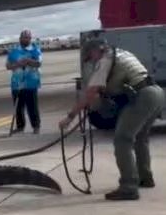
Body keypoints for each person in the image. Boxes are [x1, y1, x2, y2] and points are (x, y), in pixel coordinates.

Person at [59, 37, 165, 200]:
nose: (91, 62)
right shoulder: (122, 53)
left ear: (95, 51)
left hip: (142, 97)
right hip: (156, 93)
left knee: (122, 139)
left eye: (90, 57)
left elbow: (90, 92)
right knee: (140, 138)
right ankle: (145, 177)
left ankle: (128, 186)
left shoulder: (105, 60)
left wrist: (70, 117)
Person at [6, 29, 43, 134]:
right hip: (17, 83)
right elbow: (8, 66)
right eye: (24, 37)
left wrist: (28, 61)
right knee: (18, 106)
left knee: (32, 106)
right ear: (20, 38)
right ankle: (20, 126)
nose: (26, 39)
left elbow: (39, 63)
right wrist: (18, 64)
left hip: (31, 82)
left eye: (28, 38)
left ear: (30, 39)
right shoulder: (14, 51)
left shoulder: (35, 50)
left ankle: (36, 126)